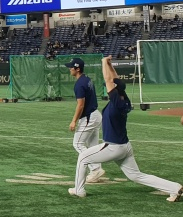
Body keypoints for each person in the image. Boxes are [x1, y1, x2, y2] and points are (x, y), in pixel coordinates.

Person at [69, 56, 183, 201]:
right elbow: (115, 80)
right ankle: (174, 188)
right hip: (125, 147)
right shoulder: (124, 98)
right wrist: (110, 65)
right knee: (136, 175)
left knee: (83, 157)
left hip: (114, 147)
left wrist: (104, 62)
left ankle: (79, 190)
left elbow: (109, 80)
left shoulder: (116, 101)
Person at [65, 57, 105, 183]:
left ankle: (95, 169)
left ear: (77, 69)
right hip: (95, 115)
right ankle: (95, 171)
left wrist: (74, 121)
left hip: (89, 117)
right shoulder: (86, 79)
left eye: (71, 67)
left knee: (77, 144)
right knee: (92, 146)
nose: (70, 69)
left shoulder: (80, 84)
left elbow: (81, 105)